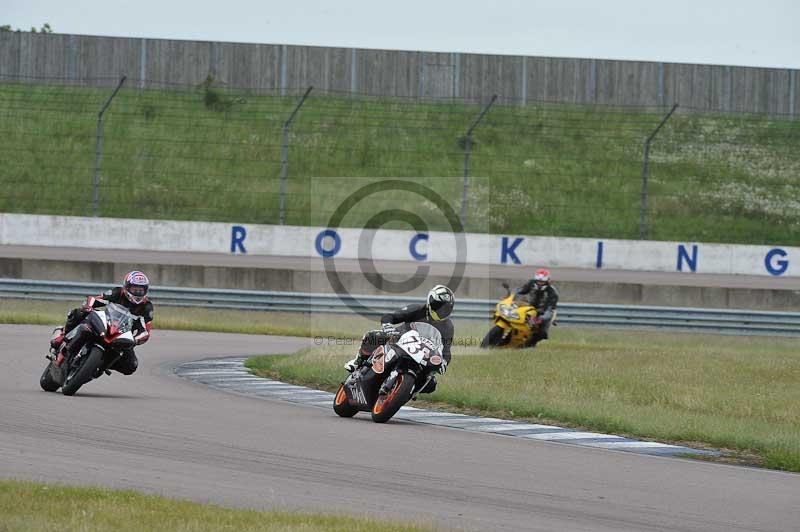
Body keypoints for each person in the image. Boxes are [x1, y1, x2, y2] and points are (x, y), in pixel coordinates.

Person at [344, 284, 455, 394]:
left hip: (422, 354)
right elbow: (392, 316)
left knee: (431, 383)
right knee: (373, 336)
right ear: (430, 302)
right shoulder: (417, 309)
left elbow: (446, 350)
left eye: (445, 308)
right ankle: (358, 362)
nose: (441, 311)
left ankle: (406, 391)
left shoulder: (448, 326)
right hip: (399, 339)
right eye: (439, 306)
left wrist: (444, 362)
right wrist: (387, 325)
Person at [50, 271, 154, 375]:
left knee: (131, 366)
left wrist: (135, 340)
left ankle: (102, 364)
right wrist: (88, 306)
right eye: (135, 289)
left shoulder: (147, 307)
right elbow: (97, 299)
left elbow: (145, 331)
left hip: (122, 336)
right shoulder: (118, 292)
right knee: (79, 313)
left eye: (141, 290)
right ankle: (63, 335)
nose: (138, 293)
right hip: (106, 323)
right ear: (126, 287)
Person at [515, 268, 558, 348]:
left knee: (542, 333)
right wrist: (511, 297)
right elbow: (521, 291)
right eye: (538, 281)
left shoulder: (552, 292)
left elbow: (550, 308)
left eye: (542, 282)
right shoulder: (531, 283)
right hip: (530, 307)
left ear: (547, 281)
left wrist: (541, 318)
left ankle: (529, 345)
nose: (540, 283)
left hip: (545, 311)